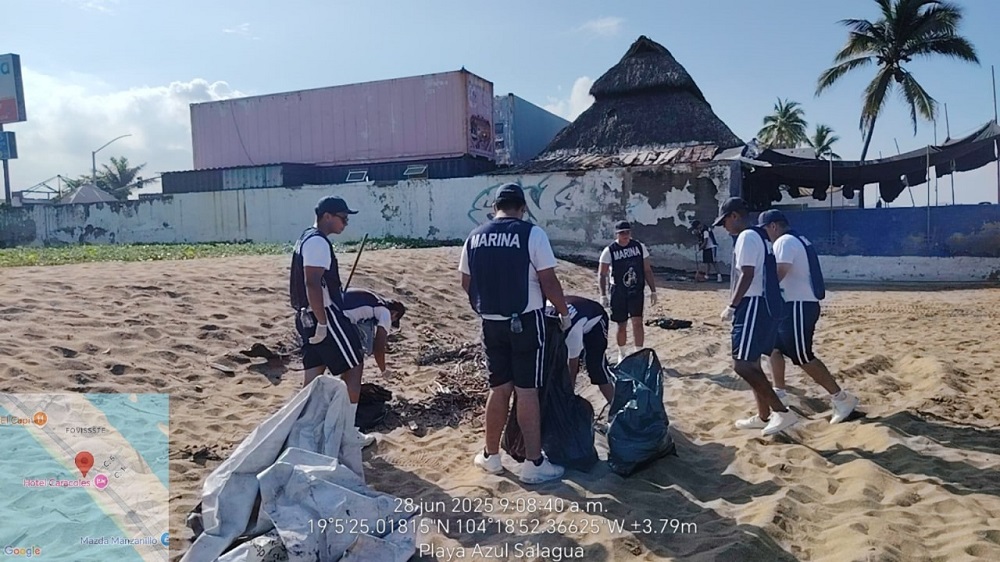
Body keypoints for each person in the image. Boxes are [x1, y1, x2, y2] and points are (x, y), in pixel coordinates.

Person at [459, 182, 573, 484]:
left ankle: (491, 456)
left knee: (499, 388)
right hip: (526, 321)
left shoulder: (474, 236)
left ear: (494, 207)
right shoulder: (532, 234)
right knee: (526, 391)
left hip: (491, 323)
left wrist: (486, 306)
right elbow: (549, 281)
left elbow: (465, 282)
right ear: (522, 208)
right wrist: (564, 314)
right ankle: (534, 462)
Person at [758, 210, 859, 423]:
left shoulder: (784, 241)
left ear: (773, 226)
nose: (765, 234)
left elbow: (778, 274)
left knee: (802, 356)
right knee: (773, 348)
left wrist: (757, 289)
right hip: (792, 305)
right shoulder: (797, 238)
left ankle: (841, 398)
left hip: (798, 306)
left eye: (765, 229)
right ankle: (779, 393)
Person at [289, 195, 372, 447]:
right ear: (327, 216)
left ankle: (300, 431)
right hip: (323, 314)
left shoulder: (305, 237)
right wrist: (324, 322)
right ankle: (347, 431)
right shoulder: (317, 242)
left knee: (313, 376)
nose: (345, 224)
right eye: (343, 218)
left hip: (305, 316)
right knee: (354, 364)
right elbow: (312, 283)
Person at [714, 197, 799, 436]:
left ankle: (781, 412)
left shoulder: (747, 237)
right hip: (764, 303)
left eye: (724, 221)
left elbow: (748, 274)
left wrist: (732, 305)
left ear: (734, 216)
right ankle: (763, 416)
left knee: (741, 364)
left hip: (752, 303)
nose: (724, 227)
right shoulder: (761, 236)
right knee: (752, 362)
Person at [598, 221, 657, 363]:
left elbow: (647, 270)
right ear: (616, 234)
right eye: (622, 233)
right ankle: (622, 353)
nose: (625, 235)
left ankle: (639, 353)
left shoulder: (639, 247)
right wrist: (603, 295)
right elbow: (602, 273)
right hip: (618, 291)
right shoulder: (609, 251)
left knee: (637, 321)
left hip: (636, 289)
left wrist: (653, 290)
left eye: (627, 232)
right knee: (621, 324)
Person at [546, 295, 615, 405]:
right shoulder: (541, 320)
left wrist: (568, 396)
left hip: (595, 319)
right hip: (574, 310)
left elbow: (572, 365)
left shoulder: (572, 332)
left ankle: (616, 405)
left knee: (596, 366)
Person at [341, 288, 407, 378]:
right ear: (394, 314)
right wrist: (384, 371)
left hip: (335, 308)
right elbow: (378, 348)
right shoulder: (385, 313)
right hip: (341, 317)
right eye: (393, 321)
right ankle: (349, 380)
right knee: (359, 354)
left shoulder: (375, 302)